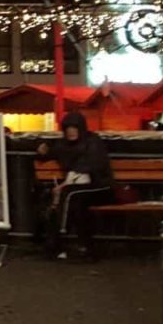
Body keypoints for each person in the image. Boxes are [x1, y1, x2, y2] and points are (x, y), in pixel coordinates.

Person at [37, 111, 114, 260]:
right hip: (79, 189)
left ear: (81, 128)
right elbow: (48, 152)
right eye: (67, 128)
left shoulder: (93, 141)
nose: (71, 132)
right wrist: (42, 150)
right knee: (72, 201)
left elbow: (90, 167)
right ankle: (79, 245)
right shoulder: (63, 145)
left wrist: (66, 183)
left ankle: (61, 236)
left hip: (100, 186)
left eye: (74, 128)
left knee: (69, 194)